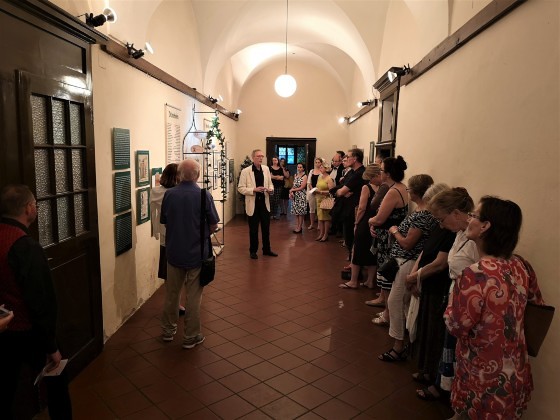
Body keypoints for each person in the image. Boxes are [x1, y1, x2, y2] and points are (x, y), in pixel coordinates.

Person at [444, 196, 544, 419]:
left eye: (474, 215)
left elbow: (456, 325)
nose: (469, 219)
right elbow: (537, 304)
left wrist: (450, 304)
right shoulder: (522, 265)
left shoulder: (475, 274)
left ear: (485, 226)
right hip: (515, 368)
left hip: (483, 373)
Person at [0, 184, 72, 420]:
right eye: (36, 205)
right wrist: (51, 345)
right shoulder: (25, 246)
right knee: (56, 380)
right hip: (28, 329)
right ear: (29, 208)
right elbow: (40, 300)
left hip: (4, 329)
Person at [422, 187, 479, 400]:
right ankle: (447, 388)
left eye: (441, 219)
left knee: (459, 351)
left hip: (467, 302)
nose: (440, 224)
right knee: (450, 346)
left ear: (456, 213)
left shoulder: (475, 240)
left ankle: (455, 395)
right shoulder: (460, 233)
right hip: (455, 294)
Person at [377, 174, 438, 362]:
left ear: (417, 192)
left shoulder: (423, 215)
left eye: (410, 189)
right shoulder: (421, 211)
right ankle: (404, 340)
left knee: (395, 301)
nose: (408, 191)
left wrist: (394, 231)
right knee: (402, 302)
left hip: (408, 261)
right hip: (404, 261)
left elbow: (408, 244)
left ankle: (398, 346)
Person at [160, 159, 219, 348]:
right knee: (193, 296)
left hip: (174, 252)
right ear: (198, 175)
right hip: (197, 253)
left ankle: (168, 330)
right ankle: (190, 336)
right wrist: (200, 233)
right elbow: (213, 224)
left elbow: (165, 221)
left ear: (179, 175)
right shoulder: (203, 195)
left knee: (172, 294)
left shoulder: (169, 194)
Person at [403, 184, 455, 398]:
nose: (435, 217)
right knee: (425, 328)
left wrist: (415, 276)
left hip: (438, 286)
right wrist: (414, 276)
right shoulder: (439, 225)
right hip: (426, 281)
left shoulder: (451, 232)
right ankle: (426, 370)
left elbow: (440, 263)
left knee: (435, 333)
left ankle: (435, 377)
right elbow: (425, 252)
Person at [367, 156, 409, 315]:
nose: (380, 172)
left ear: (388, 174)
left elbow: (380, 218)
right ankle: (383, 300)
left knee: (386, 270)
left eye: (382, 170)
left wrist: (370, 221)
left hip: (388, 237)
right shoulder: (401, 187)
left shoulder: (393, 191)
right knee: (384, 269)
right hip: (389, 233)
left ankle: (387, 312)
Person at [339, 164, 382, 289]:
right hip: (376, 221)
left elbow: (362, 208)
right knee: (372, 251)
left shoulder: (366, 187)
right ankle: (370, 281)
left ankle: (353, 281)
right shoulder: (383, 188)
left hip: (365, 221)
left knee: (356, 250)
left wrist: (356, 222)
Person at [151, 163, 186, 316]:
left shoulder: (156, 192)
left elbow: (154, 215)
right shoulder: (178, 193)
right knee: (180, 270)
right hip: (179, 235)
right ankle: (175, 304)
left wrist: (155, 232)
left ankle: (173, 303)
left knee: (168, 271)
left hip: (165, 235)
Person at [238, 149, 278, 259]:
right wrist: (253, 190)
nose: (261, 158)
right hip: (253, 204)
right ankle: (253, 251)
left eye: (262, 156)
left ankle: (266, 249)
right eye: (258, 156)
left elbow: (270, 184)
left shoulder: (266, 169)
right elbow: (240, 188)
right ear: (253, 158)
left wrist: (270, 190)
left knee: (266, 229)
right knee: (253, 229)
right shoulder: (246, 171)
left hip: (264, 203)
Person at [336, 148, 366, 260]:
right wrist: (341, 191)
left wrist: (341, 192)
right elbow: (341, 188)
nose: (346, 159)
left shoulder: (359, 173)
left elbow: (340, 192)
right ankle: (352, 259)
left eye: (348, 157)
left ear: (355, 158)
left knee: (351, 237)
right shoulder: (352, 172)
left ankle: (354, 262)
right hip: (348, 208)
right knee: (349, 237)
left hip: (354, 210)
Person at [313, 160, 335, 241]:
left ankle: (325, 235)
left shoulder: (329, 178)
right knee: (320, 218)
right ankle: (321, 234)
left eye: (322, 167)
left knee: (326, 219)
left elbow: (332, 191)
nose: (320, 168)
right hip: (318, 199)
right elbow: (318, 186)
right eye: (320, 167)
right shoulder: (320, 177)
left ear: (326, 169)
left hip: (325, 200)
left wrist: (321, 192)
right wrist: (315, 190)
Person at [289, 163, 307, 233]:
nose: (299, 168)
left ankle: (300, 227)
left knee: (300, 213)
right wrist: (291, 191)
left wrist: (293, 190)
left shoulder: (304, 176)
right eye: (298, 167)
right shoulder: (295, 175)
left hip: (301, 195)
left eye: (300, 167)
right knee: (296, 212)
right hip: (295, 196)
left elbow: (302, 187)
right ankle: (297, 226)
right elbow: (294, 185)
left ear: (303, 168)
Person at [306, 157, 323, 230]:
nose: (317, 164)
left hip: (319, 191)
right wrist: (312, 190)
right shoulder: (311, 171)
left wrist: (318, 191)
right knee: (312, 209)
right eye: (316, 162)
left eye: (319, 162)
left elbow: (323, 182)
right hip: (312, 191)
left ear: (321, 163)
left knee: (319, 209)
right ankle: (312, 224)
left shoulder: (322, 171)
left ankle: (319, 225)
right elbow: (309, 182)